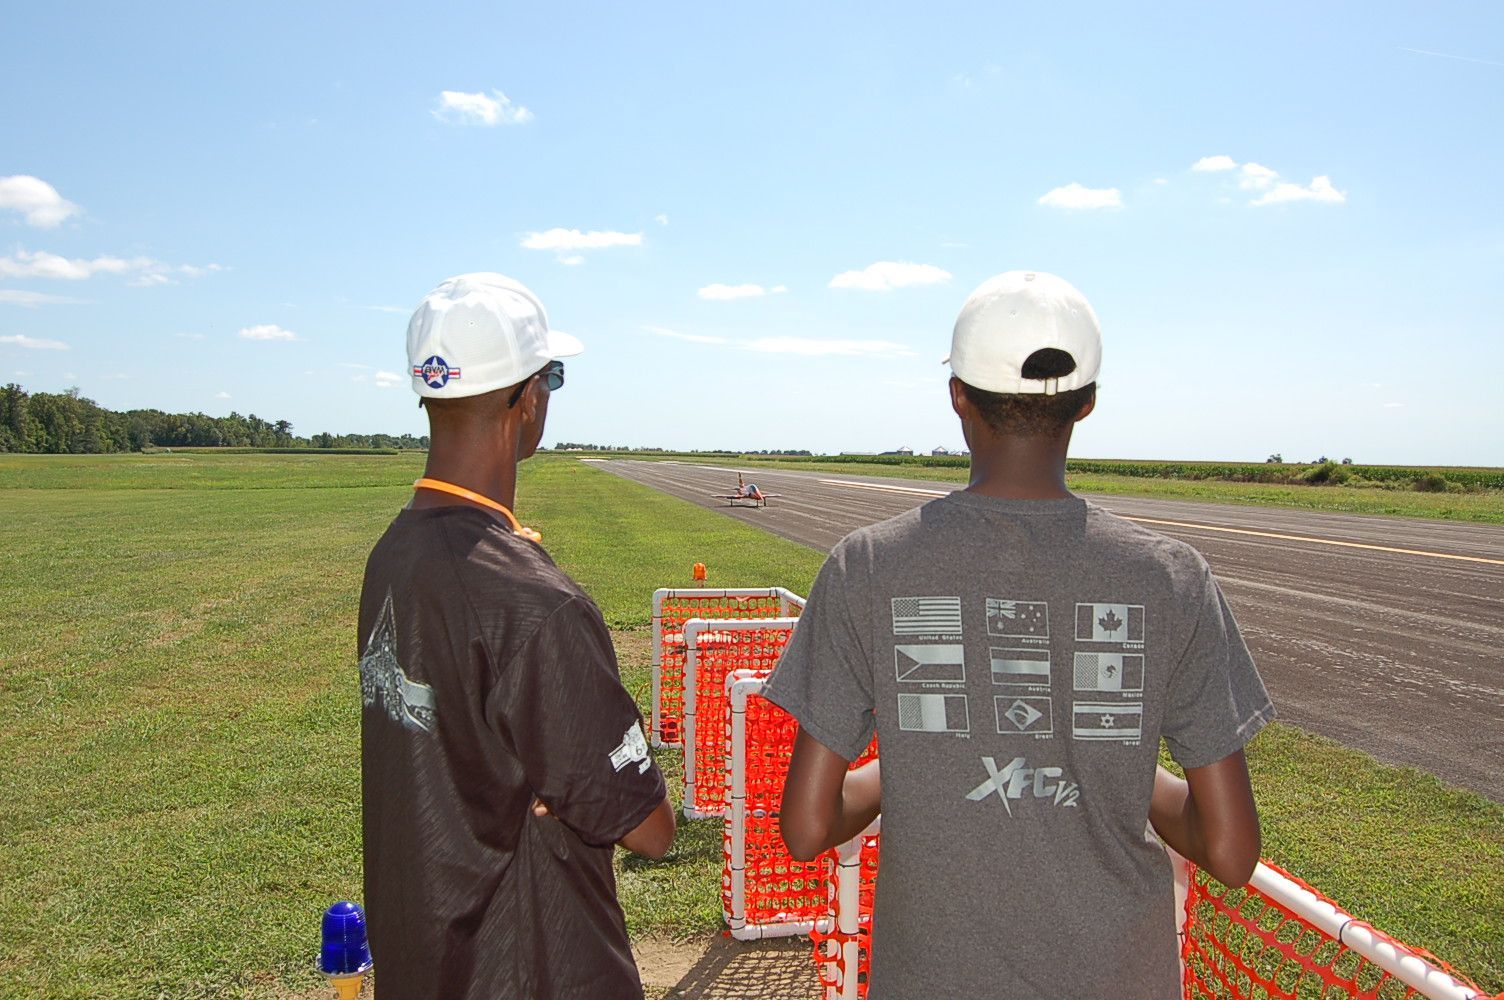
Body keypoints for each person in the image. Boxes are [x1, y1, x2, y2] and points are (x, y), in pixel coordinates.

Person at [764, 270, 1273, 999]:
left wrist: (917, 766)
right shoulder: (1170, 577)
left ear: (957, 395)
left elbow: (808, 826)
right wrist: (1119, 774)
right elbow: (1229, 850)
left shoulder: (868, 566)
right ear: (1087, 401)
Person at [356, 272, 675, 1000]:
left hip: (425, 962)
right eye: (552, 377)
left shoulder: (393, 557)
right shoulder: (536, 603)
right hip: (533, 968)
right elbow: (650, 828)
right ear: (528, 399)